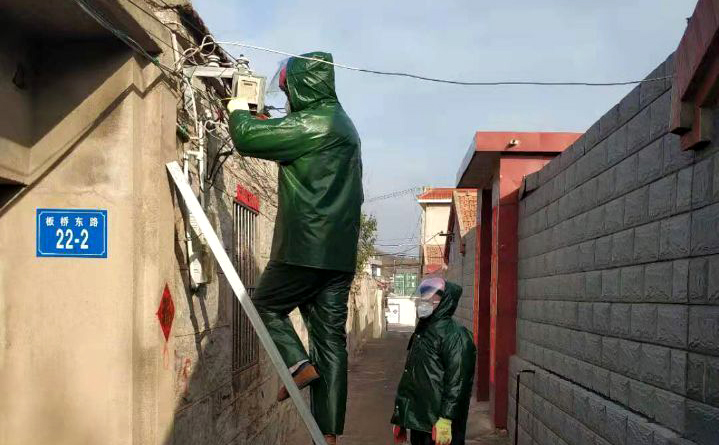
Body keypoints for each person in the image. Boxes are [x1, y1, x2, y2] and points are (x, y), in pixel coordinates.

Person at [227, 52, 363, 445]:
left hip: (304, 247)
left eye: (287, 90)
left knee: (265, 305)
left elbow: (246, 138)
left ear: (302, 86)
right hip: (338, 257)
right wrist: (270, 124)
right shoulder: (344, 126)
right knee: (330, 343)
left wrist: (237, 110)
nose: (286, 98)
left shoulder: (314, 122)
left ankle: (298, 364)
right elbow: (285, 134)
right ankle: (329, 435)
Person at [391, 277, 476, 445]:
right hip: (419, 422)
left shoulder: (455, 336)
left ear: (444, 301)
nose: (425, 301)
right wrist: (402, 417)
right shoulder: (423, 332)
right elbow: (411, 378)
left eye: (431, 297)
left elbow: (458, 383)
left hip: (440, 425)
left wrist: (446, 418)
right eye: (423, 297)